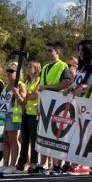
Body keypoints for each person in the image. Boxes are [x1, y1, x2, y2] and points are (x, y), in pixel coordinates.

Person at [36, 42, 72, 174]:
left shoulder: (62, 66)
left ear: (57, 52)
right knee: (44, 134)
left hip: (57, 104)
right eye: (47, 50)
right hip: (45, 103)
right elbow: (41, 86)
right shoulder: (45, 67)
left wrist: (47, 87)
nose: (48, 52)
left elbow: (65, 84)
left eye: (51, 50)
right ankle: (43, 164)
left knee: (57, 134)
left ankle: (57, 165)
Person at [16, 61, 42, 173]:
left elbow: (35, 95)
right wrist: (25, 96)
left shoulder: (39, 80)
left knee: (34, 139)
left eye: (31, 67)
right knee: (24, 138)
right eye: (28, 66)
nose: (28, 68)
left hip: (34, 113)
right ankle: (22, 162)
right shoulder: (26, 82)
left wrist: (24, 96)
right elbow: (26, 95)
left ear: (36, 69)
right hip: (25, 112)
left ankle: (34, 162)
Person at [0, 62, 22, 174]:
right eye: (7, 71)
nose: (8, 73)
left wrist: (17, 94)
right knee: (5, 140)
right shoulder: (6, 85)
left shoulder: (20, 85)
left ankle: (13, 165)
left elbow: (23, 100)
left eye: (11, 71)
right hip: (3, 114)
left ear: (17, 73)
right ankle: (5, 164)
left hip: (13, 114)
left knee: (13, 139)